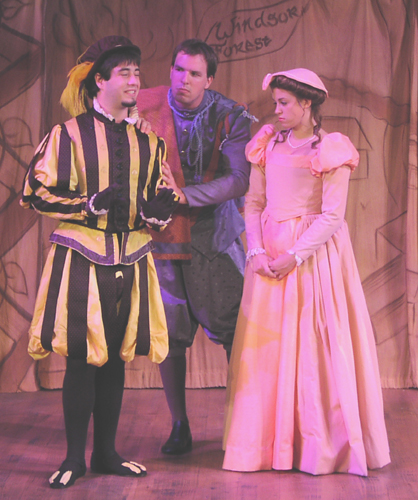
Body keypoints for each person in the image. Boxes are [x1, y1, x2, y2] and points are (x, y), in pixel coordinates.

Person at [20, 35, 178, 488]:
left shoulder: (148, 139)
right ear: (99, 82)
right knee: (81, 359)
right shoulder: (67, 135)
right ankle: (74, 457)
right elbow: (35, 191)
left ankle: (106, 452)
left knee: (114, 360)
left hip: (131, 257)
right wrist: (86, 206)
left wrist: (156, 213)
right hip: (81, 259)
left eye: (137, 72)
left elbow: (156, 197)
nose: (135, 80)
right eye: (124, 72)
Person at [222, 68, 391, 476]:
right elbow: (254, 203)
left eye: (284, 103)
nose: (277, 110)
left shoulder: (329, 149)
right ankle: (266, 445)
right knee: (267, 352)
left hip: (312, 259)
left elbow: (332, 216)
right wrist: (256, 250)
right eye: (275, 102)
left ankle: (318, 445)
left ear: (307, 103)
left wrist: (295, 256)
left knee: (314, 347)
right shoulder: (267, 144)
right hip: (268, 255)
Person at [136, 39, 253, 455]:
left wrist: (185, 195)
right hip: (163, 239)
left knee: (234, 330)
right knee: (170, 335)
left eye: (195, 73)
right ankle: (179, 424)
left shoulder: (231, 115)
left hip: (213, 240)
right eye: (179, 69)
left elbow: (239, 179)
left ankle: (245, 423)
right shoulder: (144, 107)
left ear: (210, 79)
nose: (184, 79)